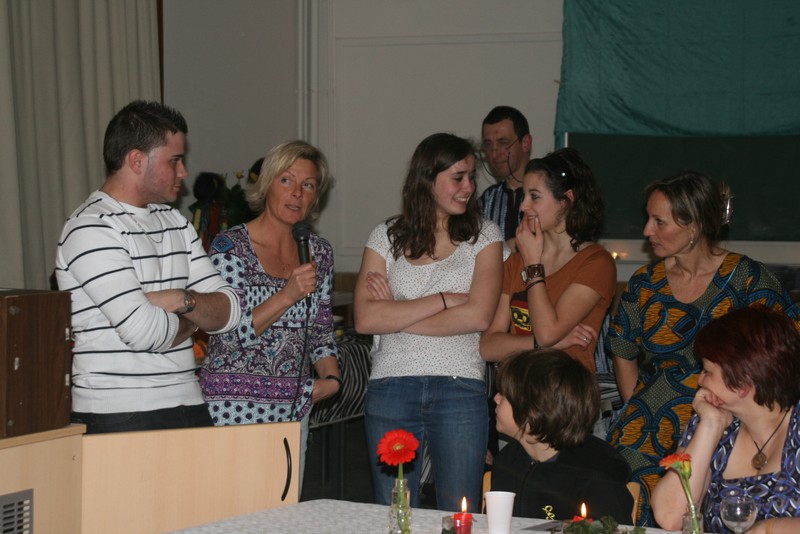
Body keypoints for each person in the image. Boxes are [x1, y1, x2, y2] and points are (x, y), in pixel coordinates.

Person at [606, 171, 800, 526]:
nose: (647, 230)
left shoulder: (748, 280)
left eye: (659, 221)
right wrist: (643, 406)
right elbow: (622, 349)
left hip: (730, 416)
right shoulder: (645, 283)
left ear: (693, 226)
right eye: (648, 218)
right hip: (650, 423)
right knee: (621, 504)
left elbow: (784, 348)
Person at [55, 100, 241, 434]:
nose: (184, 173)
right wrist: (196, 315)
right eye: (175, 160)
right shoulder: (91, 227)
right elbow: (143, 332)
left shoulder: (175, 221)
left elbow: (230, 311)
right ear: (137, 160)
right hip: (119, 411)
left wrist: (179, 299)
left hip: (189, 402)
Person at [354, 133, 503, 512]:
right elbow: (366, 318)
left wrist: (396, 313)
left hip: (459, 385)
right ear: (427, 178)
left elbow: (478, 315)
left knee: (460, 510)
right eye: (458, 177)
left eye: (471, 177)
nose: (469, 187)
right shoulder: (386, 235)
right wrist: (441, 301)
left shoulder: (485, 235)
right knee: (395, 509)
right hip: (391, 384)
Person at [199, 140, 341, 482]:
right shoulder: (230, 247)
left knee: (285, 508)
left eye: (308, 185)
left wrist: (332, 379)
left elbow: (321, 330)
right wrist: (287, 295)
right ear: (266, 185)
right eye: (286, 180)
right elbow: (229, 337)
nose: (297, 194)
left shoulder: (319, 252)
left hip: (292, 407)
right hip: (233, 407)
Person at [652, 306, 800, 533]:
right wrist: (711, 425)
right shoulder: (711, 422)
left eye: (707, 371)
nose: (700, 381)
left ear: (743, 382)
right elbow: (670, 517)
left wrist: (768, 528)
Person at [480, 147, 616, 371]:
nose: (523, 206)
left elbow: (548, 332)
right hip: (517, 386)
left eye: (534, 196)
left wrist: (533, 264)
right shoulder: (516, 261)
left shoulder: (596, 262)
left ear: (566, 200)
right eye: (524, 195)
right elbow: (487, 346)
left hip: (564, 388)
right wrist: (539, 344)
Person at [491, 349, 633, 523]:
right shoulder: (507, 461)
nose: (496, 398)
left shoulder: (595, 475)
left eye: (505, 394)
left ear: (534, 411)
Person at [478, 106, 532, 253]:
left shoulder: (549, 194)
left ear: (525, 143)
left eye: (503, 143)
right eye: (488, 145)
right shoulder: (486, 201)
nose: (494, 154)